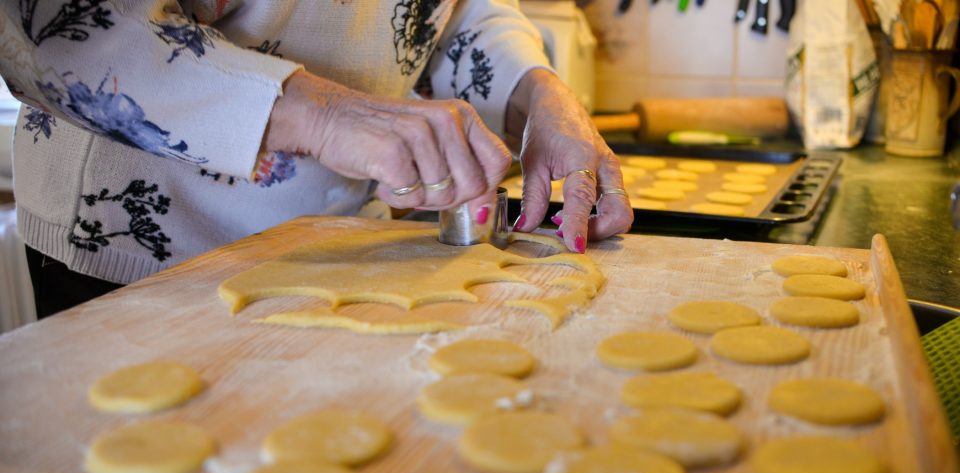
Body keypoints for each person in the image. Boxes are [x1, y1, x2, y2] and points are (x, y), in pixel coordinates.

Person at [0, 0, 632, 318]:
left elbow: (449, 10)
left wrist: (538, 90)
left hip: (347, 237)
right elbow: (68, 27)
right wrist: (326, 116)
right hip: (142, 242)